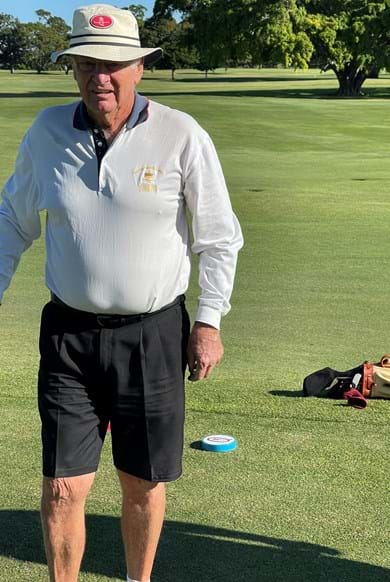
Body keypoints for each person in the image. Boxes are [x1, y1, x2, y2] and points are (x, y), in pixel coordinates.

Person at [0, 4, 243, 582]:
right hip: (69, 337)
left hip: (153, 334)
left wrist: (207, 321)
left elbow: (218, 237)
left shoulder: (180, 133)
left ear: (138, 68)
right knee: (63, 486)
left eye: (113, 64)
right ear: (73, 67)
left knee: (142, 481)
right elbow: (11, 219)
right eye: (86, 63)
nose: (99, 76)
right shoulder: (47, 132)